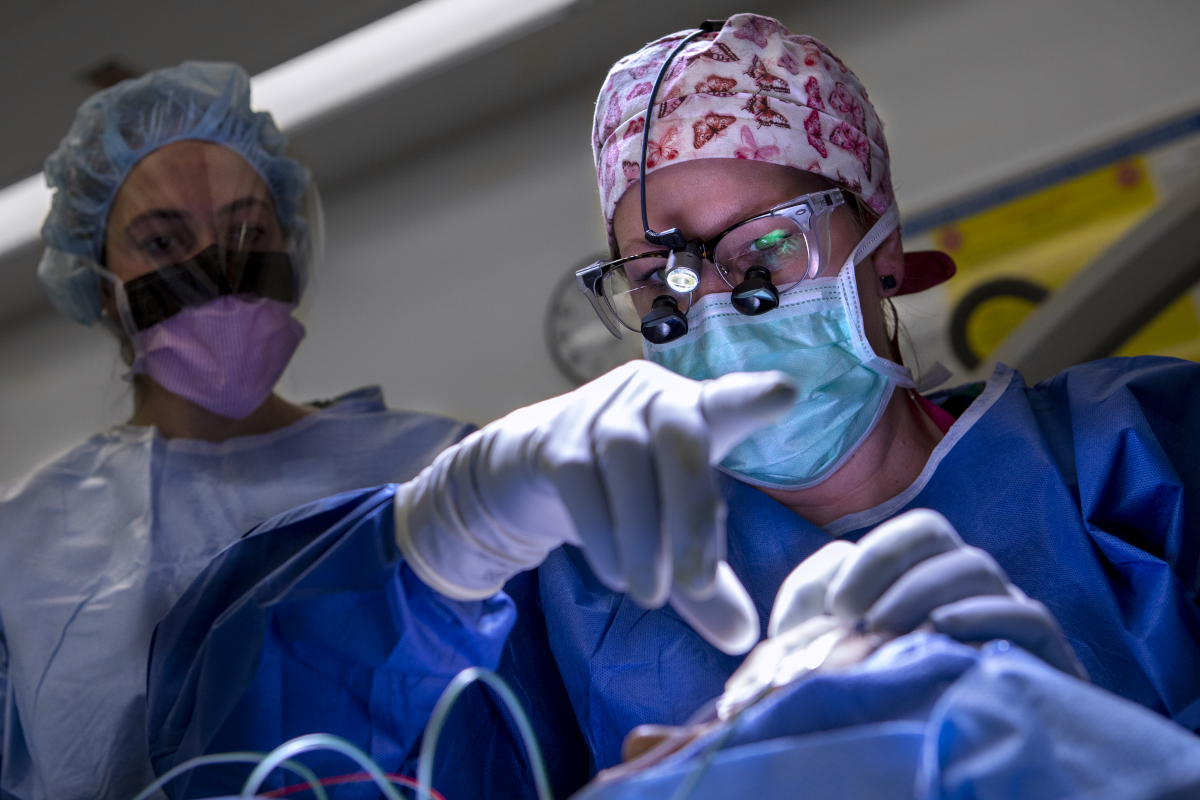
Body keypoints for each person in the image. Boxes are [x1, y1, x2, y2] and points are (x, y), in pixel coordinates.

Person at [147, 13, 1199, 800]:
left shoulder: (1139, 460)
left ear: (882, 249)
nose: (716, 303)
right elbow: (250, 760)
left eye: (768, 244)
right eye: (661, 275)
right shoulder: (568, 600)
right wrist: (435, 539)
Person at [0, 62, 509, 800]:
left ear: (291, 248)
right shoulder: (23, 548)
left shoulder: (441, 466)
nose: (218, 265)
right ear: (100, 287)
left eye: (247, 228)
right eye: (162, 241)